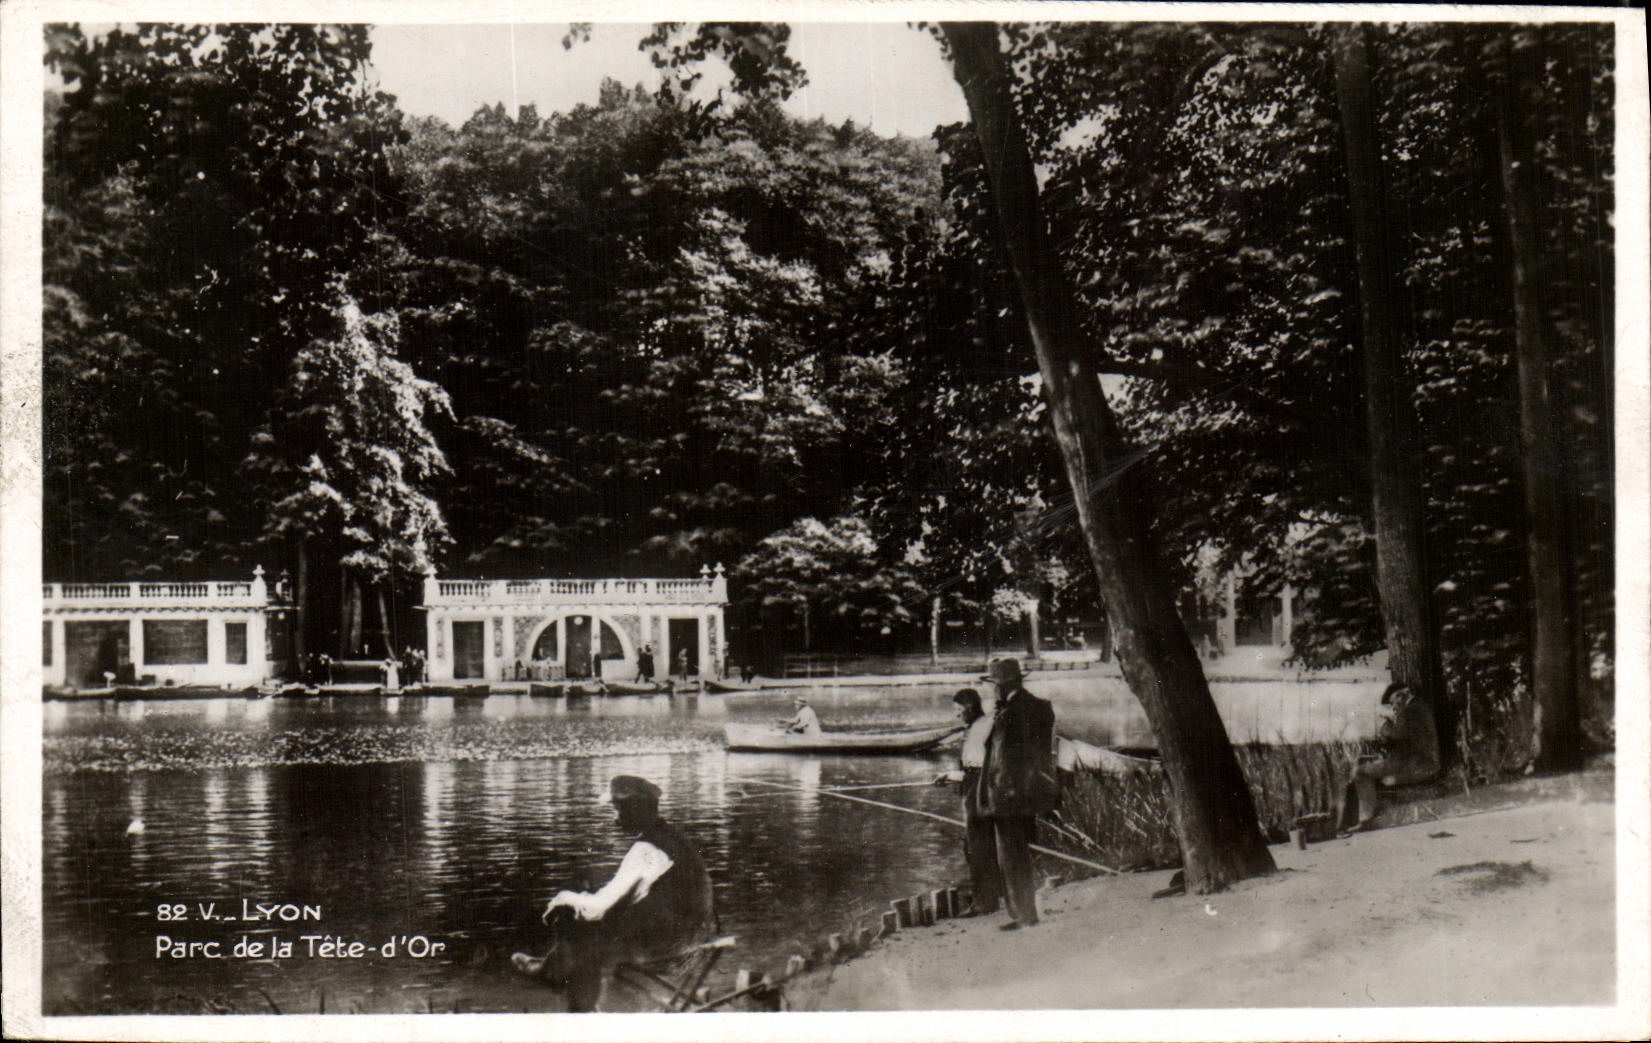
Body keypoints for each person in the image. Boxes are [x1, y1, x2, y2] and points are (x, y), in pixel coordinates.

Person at [512, 775, 716, 1012]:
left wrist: (563, 899)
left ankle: (563, 986)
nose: (615, 819)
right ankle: (557, 969)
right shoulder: (673, 837)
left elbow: (601, 906)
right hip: (697, 935)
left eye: (618, 810)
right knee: (592, 914)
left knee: (574, 915)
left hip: (671, 947)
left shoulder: (646, 849)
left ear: (634, 811)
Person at [975, 657, 1058, 930]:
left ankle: (1023, 915)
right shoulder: (1035, 707)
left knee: (1011, 856)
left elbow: (1014, 758)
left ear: (1001, 686)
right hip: (1024, 793)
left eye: (993, 685)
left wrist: (1003, 791)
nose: (991, 691)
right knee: (1016, 854)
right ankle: (1023, 912)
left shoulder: (1015, 711)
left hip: (1009, 795)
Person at [933, 688, 1004, 917]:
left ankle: (985, 901)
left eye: (958, 710)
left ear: (970, 708)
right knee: (975, 844)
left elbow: (981, 767)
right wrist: (950, 776)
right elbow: (972, 767)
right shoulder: (975, 727)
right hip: (975, 784)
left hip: (979, 790)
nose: (956, 715)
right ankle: (988, 896)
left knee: (977, 845)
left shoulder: (983, 725)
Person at [1337, 682, 1441, 835]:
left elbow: (1398, 737)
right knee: (1368, 769)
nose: (1394, 706)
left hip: (1415, 765)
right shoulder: (1419, 708)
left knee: (1359, 772)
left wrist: (1384, 725)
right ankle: (1362, 818)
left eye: (1394, 702)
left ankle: (1366, 820)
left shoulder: (1410, 711)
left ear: (1402, 695)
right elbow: (1406, 741)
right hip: (1420, 761)